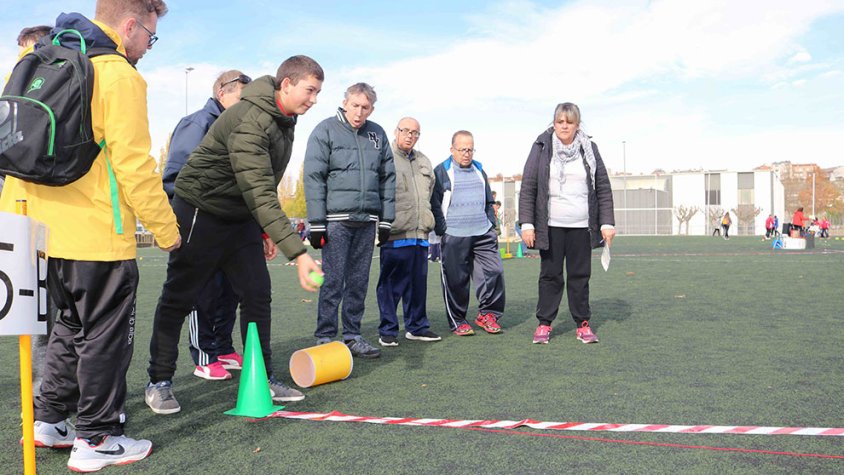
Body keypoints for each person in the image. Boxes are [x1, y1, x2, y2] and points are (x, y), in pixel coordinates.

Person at [0, 3, 179, 471]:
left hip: (35, 232)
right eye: (150, 36)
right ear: (130, 25)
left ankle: (49, 421)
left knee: (69, 327)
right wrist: (166, 229)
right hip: (96, 233)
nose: (148, 46)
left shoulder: (37, 58)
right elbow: (134, 165)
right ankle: (97, 438)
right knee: (105, 336)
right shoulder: (118, 74)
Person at [146, 55, 324, 415]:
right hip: (201, 209)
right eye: (310, 90)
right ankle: (159, 381)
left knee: (257, 294)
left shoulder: (285, 118)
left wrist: (263, 228)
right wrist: (299, 252)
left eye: (318, 92)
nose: (314, 99)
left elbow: (265, 182)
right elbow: (258, 189)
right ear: (286, 84)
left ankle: (263, 377)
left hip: (239, 215)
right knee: (179, 296)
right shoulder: (250, 118)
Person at [161, 70, 251, 381]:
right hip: (199, 221)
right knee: (203, 290)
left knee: (230, 290)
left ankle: (223, 347)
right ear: (222, 93)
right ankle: (204, 356)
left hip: (230, 224)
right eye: (242, 98)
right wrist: (188, 218)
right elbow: (176, 177)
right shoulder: (198, 123)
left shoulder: (240, 128)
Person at [304, 82, 395, 358]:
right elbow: (314, 177)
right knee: (332, 281)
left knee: (358, 281)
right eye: (354, 105)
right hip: (336, 221)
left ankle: (353, 336)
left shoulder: (377, 134)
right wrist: (316, 222)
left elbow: (387, 178)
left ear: (372, 109)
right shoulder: (325, 130)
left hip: (366, 221)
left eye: (365, 107)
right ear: (345, 103)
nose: (359, 112)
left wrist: (386, 220)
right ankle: (325, 337)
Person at [519, 102, 615, 345]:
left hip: (582, 225)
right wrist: (527, 223)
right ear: (554, 123)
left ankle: (582, 323)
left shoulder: (589, 148)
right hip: (550, 225)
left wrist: (606, 222)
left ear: (577, 125)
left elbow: (603, 187)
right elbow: (529, 186)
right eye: (560, 121)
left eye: (569, 122)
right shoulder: (541, 146)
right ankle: (544, 323)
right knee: (550, 275)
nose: (564, 126)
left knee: (580, 276)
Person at [10, 24, 54, 398]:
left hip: (45, 221)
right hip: (29, 222)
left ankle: (49, 396)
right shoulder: (17, 97)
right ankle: (44, 398)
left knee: (49, 315)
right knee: (41, 314)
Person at [431, 130, 505, 336]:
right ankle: (458, 320)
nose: (466, 153)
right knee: (456, 280)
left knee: (494, 271)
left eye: (470, 150)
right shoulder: (441, 172)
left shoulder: (479, 170)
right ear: (452, 149)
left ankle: (488, 314)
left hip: (483, 232)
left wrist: (491, 225)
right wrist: (442, 230)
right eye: (462, 149)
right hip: (454, 234)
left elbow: (489, 200)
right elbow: (435, 204)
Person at [375, 117, 440, 347]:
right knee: (391, 285)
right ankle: (388, 330)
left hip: (420, 235)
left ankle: (417, 326)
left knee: (417, 285)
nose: (410, 136)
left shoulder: (424, 161)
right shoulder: (384, 158)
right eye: (406, 131)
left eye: (415, 133)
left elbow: (431, 194)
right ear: (396, 131)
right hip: (395, 233)